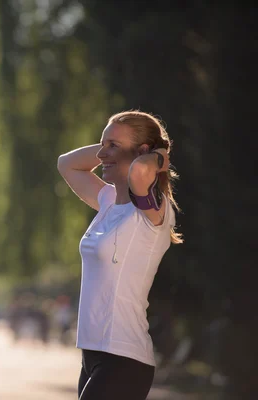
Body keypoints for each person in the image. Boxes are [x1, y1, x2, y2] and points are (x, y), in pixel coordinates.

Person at [57, 110, 183, 400]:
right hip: (92, 353)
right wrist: (111, 148)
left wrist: (159, 155)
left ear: (142, 152)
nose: (101, 155)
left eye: (113, 145)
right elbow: (67, 164)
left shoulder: (152, 211)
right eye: (103, 145)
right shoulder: (108, 201)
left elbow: (140, 172)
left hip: (124, 357)